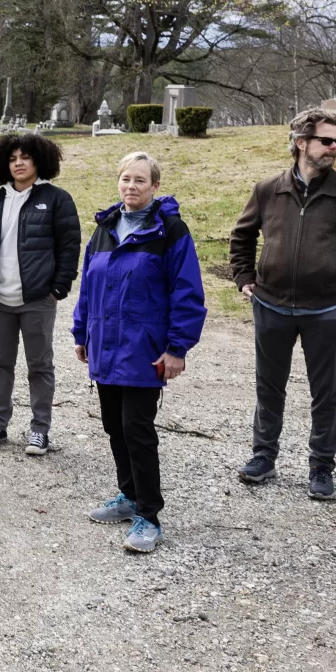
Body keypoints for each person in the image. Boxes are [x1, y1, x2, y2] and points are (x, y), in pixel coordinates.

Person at [228, 106, 336, 499]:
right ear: (302, 144)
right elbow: (242, 236)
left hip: (325, 311)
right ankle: (263, 457)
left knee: (325, 392)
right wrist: (244, 278)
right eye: (327, 140)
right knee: (269, 387)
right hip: (271, 306)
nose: (335, 147)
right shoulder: (268, 189)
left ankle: (321, 467)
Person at [72, 152, 208, 555]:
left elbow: (187, 292)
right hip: (105, 346)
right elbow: (87, 288)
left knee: (138, 430)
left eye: (140, 181)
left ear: (155, 187)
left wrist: (177, 348)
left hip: (144, 351)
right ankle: (128, 496)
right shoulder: (104, 228)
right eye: (126, 179)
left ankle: (149, 515)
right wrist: (82, 332)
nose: (131, 186)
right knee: (114, 426)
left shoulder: (170, 231)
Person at [0, 130, 80, 456]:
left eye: (25, 157)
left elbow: (69, 245)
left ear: (38, 160)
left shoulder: (57, 199)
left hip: (36, 299)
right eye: (12, 158)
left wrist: (58, 287)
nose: (18, 163)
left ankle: (39, 430)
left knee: (39, 365)